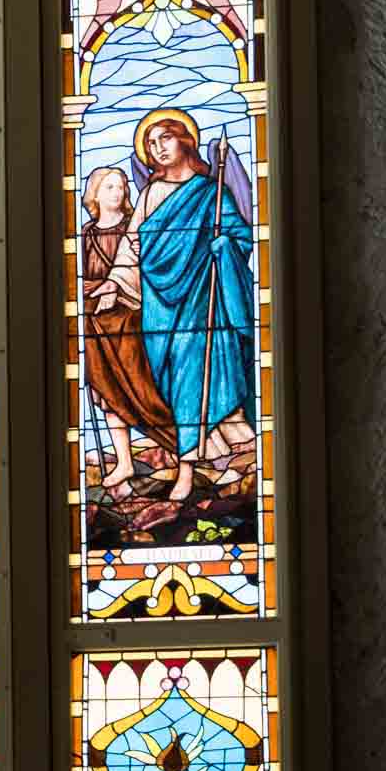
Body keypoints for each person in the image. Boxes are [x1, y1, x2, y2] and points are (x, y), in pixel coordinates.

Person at [93, 112, 255, 503]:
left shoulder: (210, 193)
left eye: (165, 138)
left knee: (191, 374)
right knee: (168, 377)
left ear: (185, 141)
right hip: (158, 305)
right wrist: (114, 285)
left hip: (202, 299)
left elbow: (240, 238)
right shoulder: (149, 193)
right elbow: (132, 248)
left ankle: (186, 470)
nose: (158, 148)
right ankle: (215, 457)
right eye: (151, 143)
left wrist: (225, 247)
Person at [80, 165, 177, 492]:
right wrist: (94, 290)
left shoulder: (134, 230)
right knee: (108, 395)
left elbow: (145, 271)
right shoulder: (85, 235)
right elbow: (74, 280)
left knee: (142, 387)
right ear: (94, 193)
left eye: (121, 187)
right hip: (95, 325)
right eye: (109, 187)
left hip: (130, 322)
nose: (118, 192)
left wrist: (116, 288)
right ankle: (123, 461)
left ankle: (175, 449)